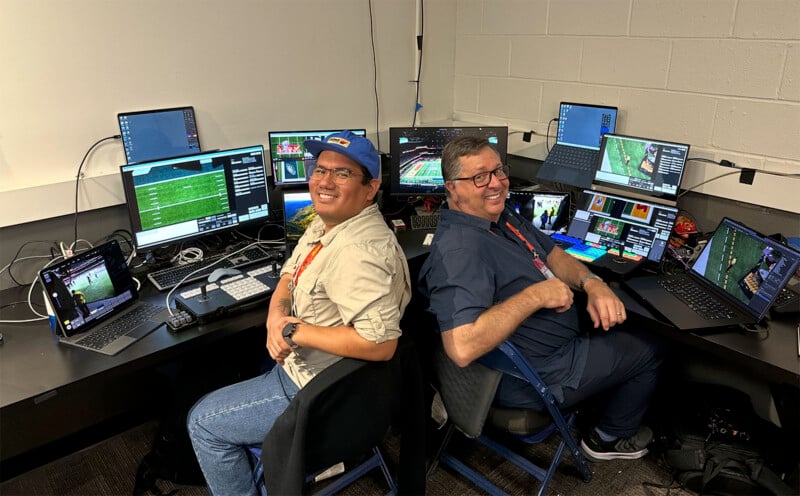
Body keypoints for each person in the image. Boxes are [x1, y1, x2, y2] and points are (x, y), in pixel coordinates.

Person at [187, 130, 412, 495]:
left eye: (342, 174)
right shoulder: (331, 223)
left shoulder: (358, 253)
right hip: (340, 377)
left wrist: (293, 332)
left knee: (202, 422)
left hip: (318, 387)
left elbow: (380, 343)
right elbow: (292, 270)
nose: (325, 181)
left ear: (370, 188)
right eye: (320, 169)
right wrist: (277, 315)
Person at [420, 136, 664, 462]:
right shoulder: (461, 250)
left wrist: (592, 282)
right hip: (536, 375)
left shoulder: (499, 216)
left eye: (498, 171)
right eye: (479, 177)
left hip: (555, 344)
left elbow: (552, 254)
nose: (496, 183)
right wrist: (536, 295)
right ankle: (607, 438)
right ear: (452, 187)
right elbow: (462, 347)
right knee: (652, 348)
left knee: (618, 323)